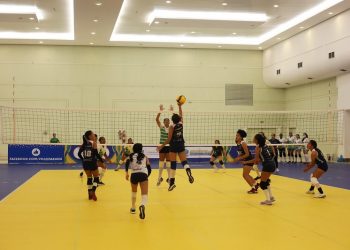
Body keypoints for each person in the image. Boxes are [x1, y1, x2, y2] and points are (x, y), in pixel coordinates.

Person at [157, 102, 194, 191]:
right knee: (184, 162)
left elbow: (169, 139)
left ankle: (172, 183)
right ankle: (189, 173)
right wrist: (179, 106)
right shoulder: (181, 124)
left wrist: (161, 146)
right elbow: (181, 114)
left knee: (173, 164)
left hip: (173, 146)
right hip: (181, 144)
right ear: (179, 119)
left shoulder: (171, 127)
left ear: (172, 120)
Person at [243, 134, 276, 205]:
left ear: (257, 140)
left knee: (262, 184)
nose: (253, 139)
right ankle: (271, 197)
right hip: (273, 164)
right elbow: (273, 154)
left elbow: (256, 160)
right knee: (266, 181)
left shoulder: (258, 147)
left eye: (254, 138)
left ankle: (268, 200)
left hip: (267, 165)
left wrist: (246, 162)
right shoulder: (266, 145)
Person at [125, 143, 151, 219]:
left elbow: (126, 163)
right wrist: (146, 176)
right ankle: (142, 205)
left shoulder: (130, 156)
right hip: (143, 174)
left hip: (134, 175)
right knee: (144, 195)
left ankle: (133, 208)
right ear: (141, 149)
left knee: (134, 192)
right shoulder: (145, 156)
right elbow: (149, 168)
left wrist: (126, 173)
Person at [78, 131, 102, 201]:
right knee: (96, 179)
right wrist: (102, 161)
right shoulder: (93, 143)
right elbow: (96, 154)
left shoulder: (84, 144)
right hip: (92, 163)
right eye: (92, 134)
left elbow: (79, 154)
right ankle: (93, 191)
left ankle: (89, 195)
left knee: (89, 178)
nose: (94, 135)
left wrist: (83, 159)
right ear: (90, 136)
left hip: (85, 163)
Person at [233, 129, 259, 194]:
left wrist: (239, 158)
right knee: (246, 174)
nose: (236, 136)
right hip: (246, 160)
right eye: (236, 135)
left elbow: (247, 154)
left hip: (249, 160)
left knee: (245, 175)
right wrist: (238, 157)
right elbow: (241, 152)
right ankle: (255, 184)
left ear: (241, 137)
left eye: (238, 135)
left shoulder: (243, 143)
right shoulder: (238, 143)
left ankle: (253, 188)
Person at [155, 105, 171, 186]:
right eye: (166, 121)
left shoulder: (171, 128)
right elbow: (157, 120)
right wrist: (160, 111)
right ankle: (159, 178)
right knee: (161, 163)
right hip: (161, 146)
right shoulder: (162, 127)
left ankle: (169, 179)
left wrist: (172, 111)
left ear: (169, 122)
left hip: (168, 147)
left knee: (168, 164)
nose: (167, 122)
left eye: (168, 121)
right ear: (164, 122)